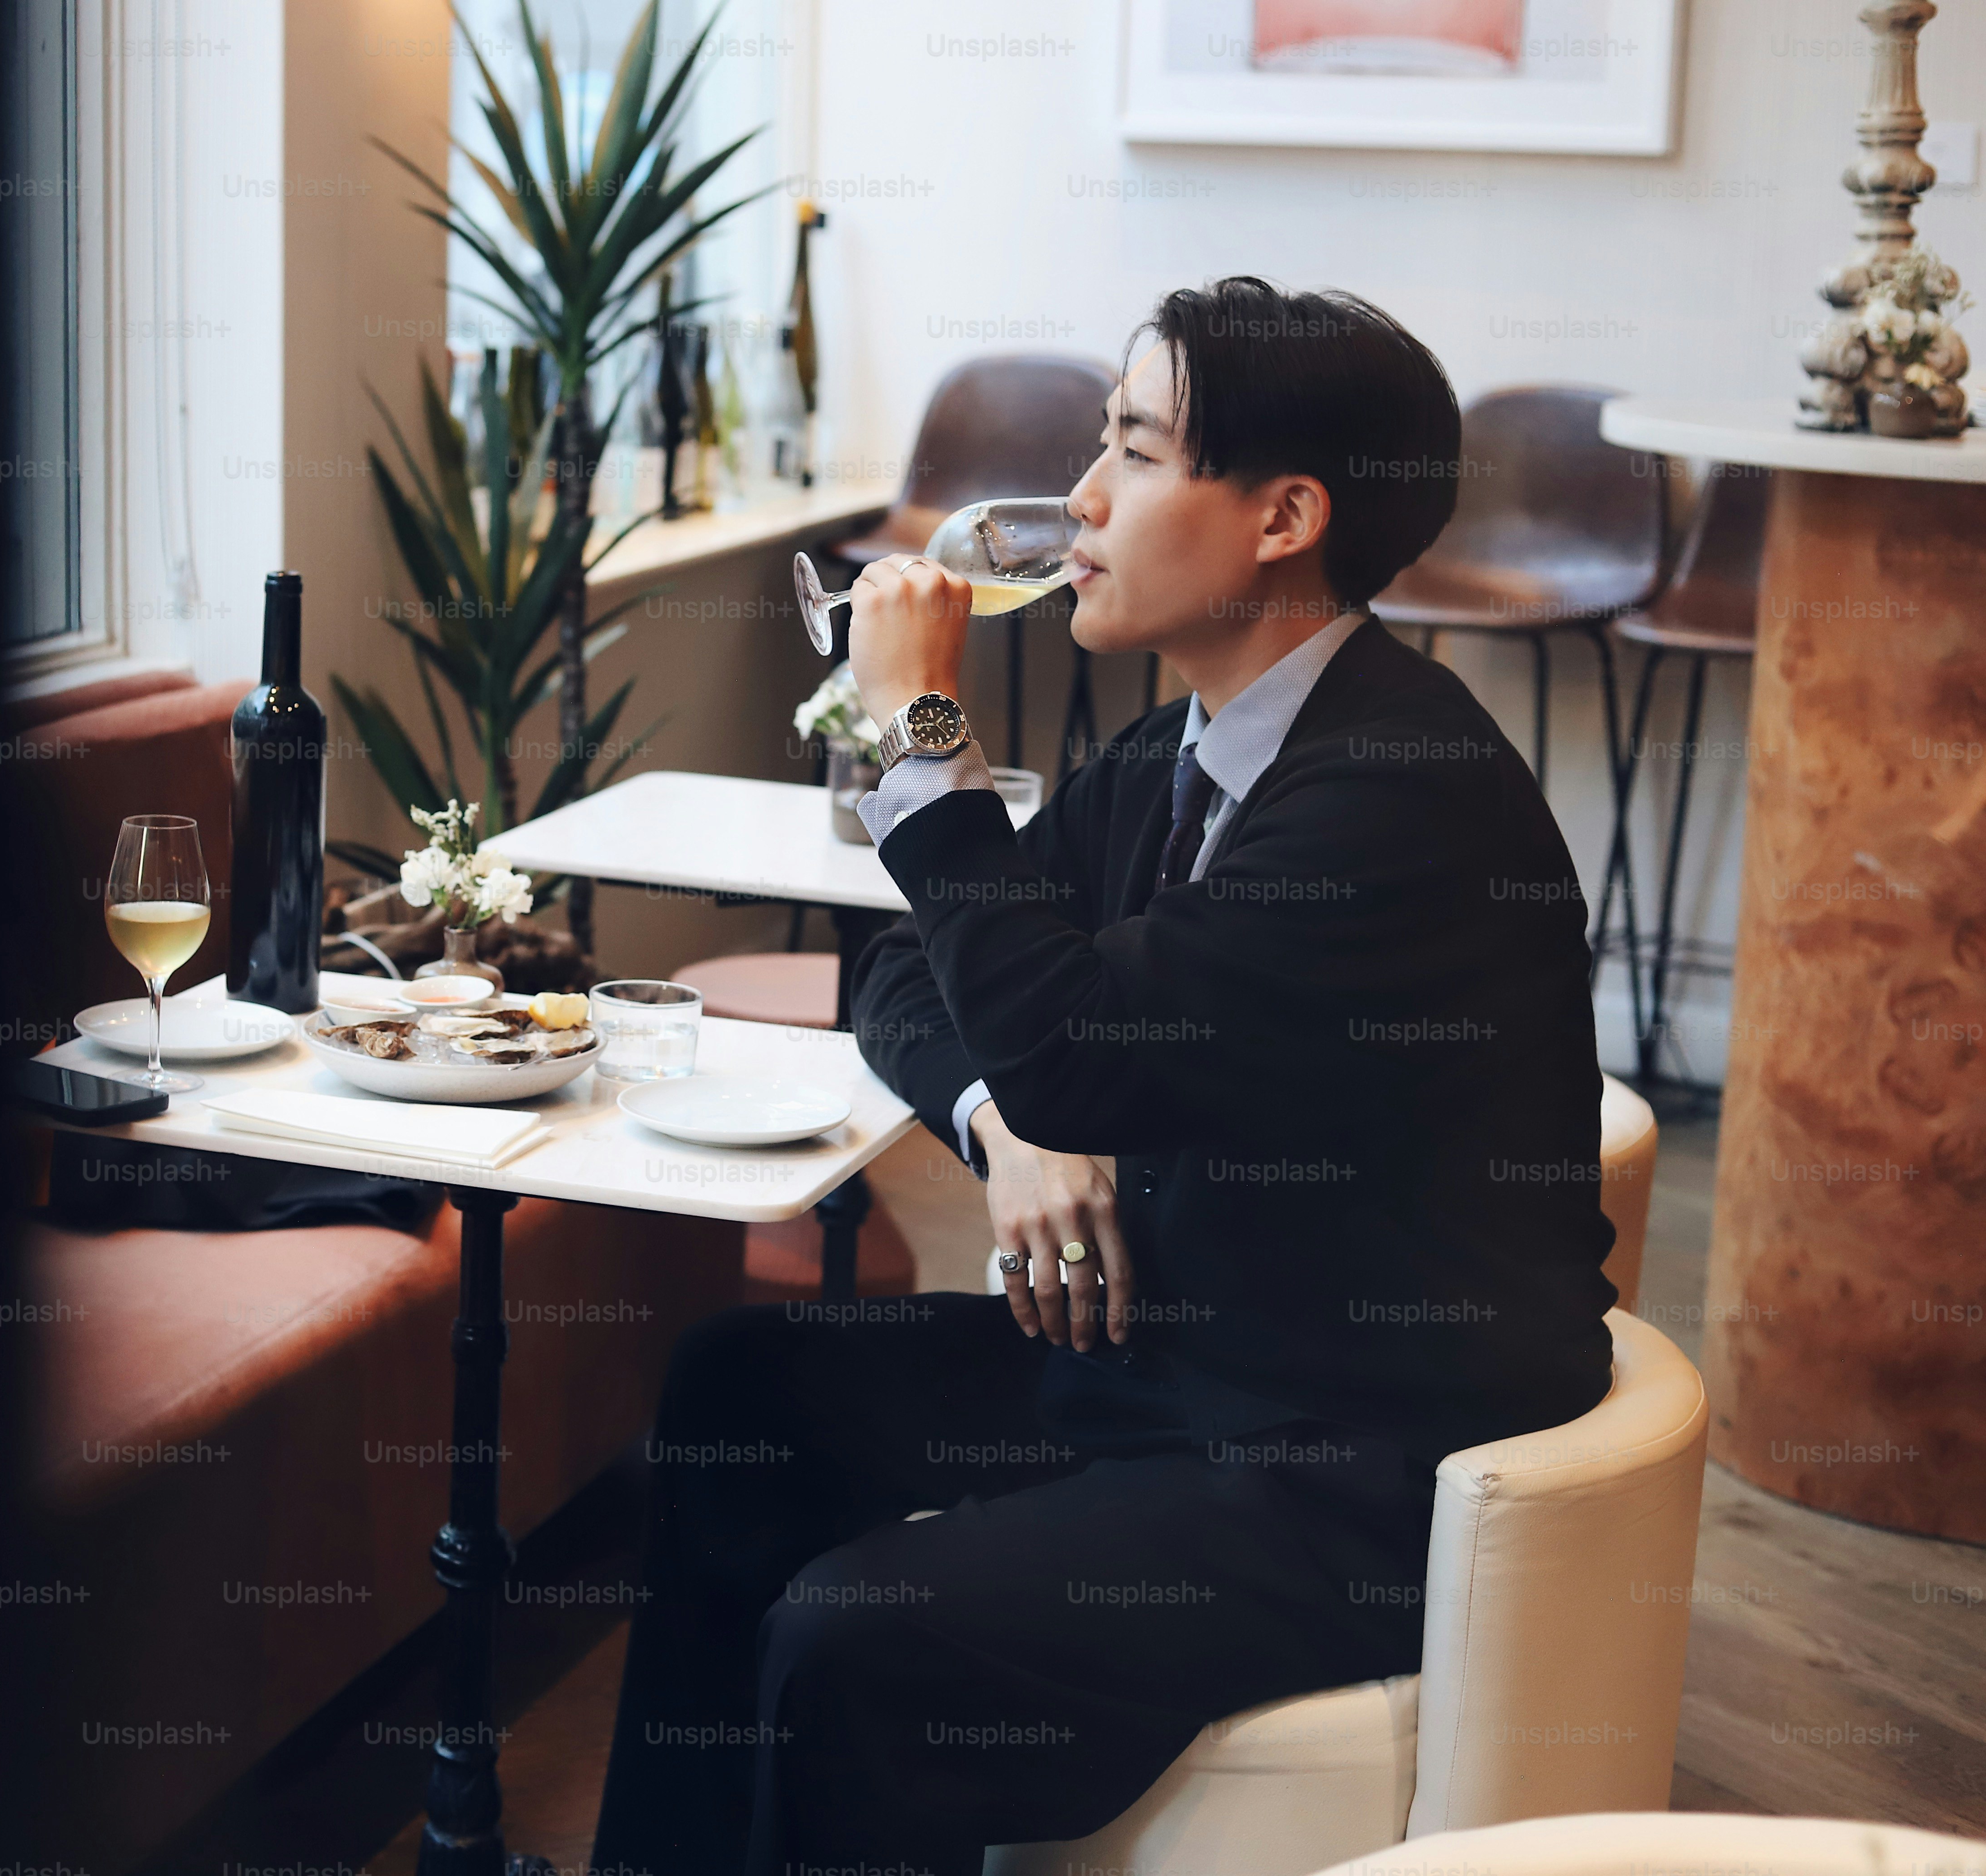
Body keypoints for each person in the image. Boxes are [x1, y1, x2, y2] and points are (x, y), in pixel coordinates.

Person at [589, 277, 1620, 1874]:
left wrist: (919, 733)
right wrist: (1006, 1130)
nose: (1079, 499)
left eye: (1134, 452)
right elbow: (910, 976)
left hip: (1352, 1458)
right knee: (744, 1392)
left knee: (861, 1636)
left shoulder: (1397, 798)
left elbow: (1070, 1043)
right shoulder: (1180, 754)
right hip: (1175, 1360)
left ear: (1284, 517)